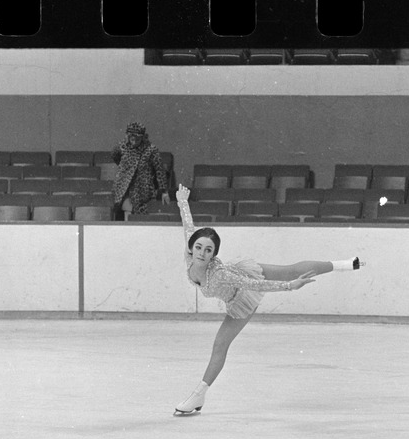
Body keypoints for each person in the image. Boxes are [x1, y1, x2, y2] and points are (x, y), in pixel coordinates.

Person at [173, 184, 365, 416]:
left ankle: (345, 264)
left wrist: (288, 287)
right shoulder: (190, 257)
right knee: (220, 346)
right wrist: (182, 201)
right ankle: (200, 396)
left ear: (214, 254)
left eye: (208, 250)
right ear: (192, 249)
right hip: (235, 292)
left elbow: (255, 285)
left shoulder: (220, 273)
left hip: (242, 296)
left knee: (291, 272)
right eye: (199, 247)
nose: (202, 253)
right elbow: (189, 227)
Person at [111, 121, 170, 217]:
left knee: (141, 215)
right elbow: (115, 156)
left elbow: (159, 170)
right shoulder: (123, 147)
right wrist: (125, 169)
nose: (133, 141)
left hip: (143, 187)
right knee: (126, 210)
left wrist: (164, 191)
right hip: (125, 186)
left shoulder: (151, 149)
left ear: (142, 137)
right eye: (131, 138)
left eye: (137, 138)